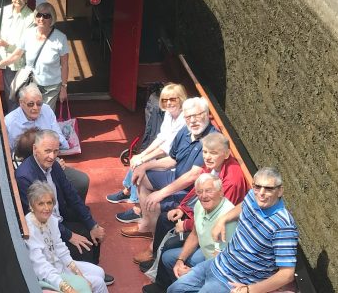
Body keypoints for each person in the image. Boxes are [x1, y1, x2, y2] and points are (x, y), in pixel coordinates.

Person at [167, 167, 298, 293]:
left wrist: (249, 290)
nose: (261, 193)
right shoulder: (254, 196)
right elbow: (244, 204)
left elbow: (287, 274)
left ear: (280, 191)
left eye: (268, 189)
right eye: (257, 186)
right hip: (217, 263)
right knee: (174, 289)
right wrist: (222, 220)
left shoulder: (283, 226)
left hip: (234, 281)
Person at [136, 133, 250, 269]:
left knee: (170, 244)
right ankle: (156, 259)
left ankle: (161, 268)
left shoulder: (231, 182)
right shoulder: (214, 165)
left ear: (226, 154)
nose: (207, 157)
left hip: (212, 231)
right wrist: (181, 208)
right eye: (205, 152)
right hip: (198, 213)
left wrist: (186, 225)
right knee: (164, 219)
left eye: (213, 153)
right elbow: (197, 192)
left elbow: (217, 217)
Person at [16, 130, 114, 285]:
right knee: (83, 241)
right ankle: (86, 282)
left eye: (56, 151)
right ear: (35, 149)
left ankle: (93, 268)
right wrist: (69, 235)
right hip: (46, 225)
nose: (52, 156)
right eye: (47, 151)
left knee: (88, 224)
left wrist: (92, 224)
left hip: (59, 214)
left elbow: (71, 194)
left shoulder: (53, 165)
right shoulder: (25, 176)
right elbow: (36, 215)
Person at [119, 98, 219, 237]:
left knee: (155, 202)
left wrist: (161, 193)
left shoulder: (211, 138)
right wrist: (144, 165)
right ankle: (147, 224)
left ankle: (154, 244)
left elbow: (193, 176)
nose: (193, 120)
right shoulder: (185, 131)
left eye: (197, 115)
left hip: (192, 190)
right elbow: (173, 159)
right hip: (176, 176)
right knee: (142, 177)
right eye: (188, 116)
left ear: (207, 114)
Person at [142, 174, 238, 293]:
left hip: (220, 266)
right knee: (168, 258)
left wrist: (193, 271)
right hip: (206, 253)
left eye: (209, 191)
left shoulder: (227, 218)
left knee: (184, 284)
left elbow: (219, 258)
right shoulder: (200, 205)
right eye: (199, 192)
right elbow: (194, 235)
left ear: (220, 192)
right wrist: (180, 260)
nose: (203, 196)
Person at [107, 83, 188, 206]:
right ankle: (128, 191)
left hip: (176, 163)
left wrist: (143, 159)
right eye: (165, 100)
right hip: (167, 155)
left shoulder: (184, 120)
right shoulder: (169, 113)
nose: (168, 103)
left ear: (181, 99)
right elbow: (161, 137)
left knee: (141, 164)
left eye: (172, 99)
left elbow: (166, 149)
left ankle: (135, 201)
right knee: (138, 159)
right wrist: (142, 154)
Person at [7, 84, 89, 201]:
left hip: (52, 162)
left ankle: (72, 212)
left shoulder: (46, 110)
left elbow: (60, 140)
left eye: (39, 103)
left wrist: (55, 158)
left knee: (82, 181)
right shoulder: (10, 123)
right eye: (30, 104)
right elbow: (11, 156)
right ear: (21, 103)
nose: (35, 108)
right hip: (28, 170)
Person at [25, 181, 109, 293]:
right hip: (47, 278)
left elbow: (61, 251)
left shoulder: (52, 220)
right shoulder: (30, 229)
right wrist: (68, 288)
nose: (46, 208)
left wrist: (81, 277)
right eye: (41, 204)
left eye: (49, 203)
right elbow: (41, 267)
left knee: (100, 272)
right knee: (98, 283)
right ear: (32, 205)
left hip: (60, 266)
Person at [0, 2, 68, 111]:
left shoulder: (60, 38)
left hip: (51, 86)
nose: (41, 19)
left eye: (46, 16)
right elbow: (16, 55)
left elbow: (65, 64)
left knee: (46, 114)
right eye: (39, 15)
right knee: (30, 112)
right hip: (32, 83)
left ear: (52, 19)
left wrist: (64, 87)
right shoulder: (28, 34)